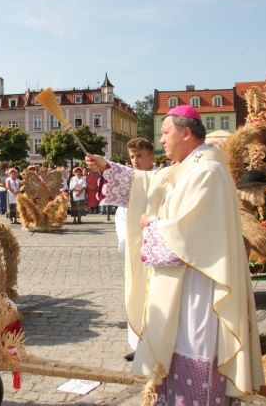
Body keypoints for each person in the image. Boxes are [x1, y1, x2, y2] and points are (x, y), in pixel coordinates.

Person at [86, 105, 263, 404]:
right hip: (182, 283)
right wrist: (107, 168)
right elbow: (147, 183)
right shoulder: (188, 168)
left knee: (195, 345)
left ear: (186, 132)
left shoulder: (208, 172)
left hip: (200, 285)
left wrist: (151, 225)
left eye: (166, 133)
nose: (162, 140)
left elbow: (189, 234)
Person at [114, 137, 156, 362]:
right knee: (135, 293)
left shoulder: (161, 178)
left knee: (154, 297)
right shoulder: (130, 182)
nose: (136, 161)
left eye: (140, 156)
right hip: (135, 248)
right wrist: (128, 240)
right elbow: (121, 214)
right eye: (132, 157)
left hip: (157, 248)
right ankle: (138, 342)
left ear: (151, 156)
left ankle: (156, 344)